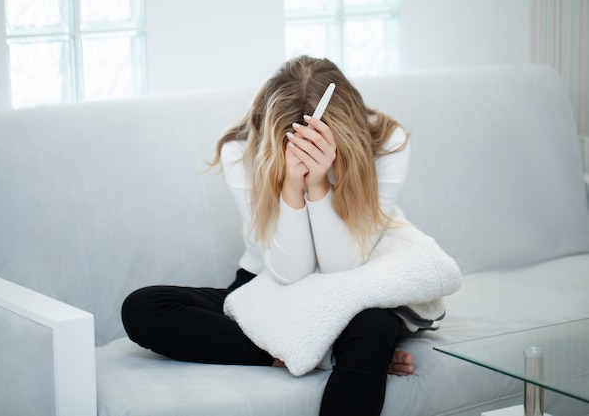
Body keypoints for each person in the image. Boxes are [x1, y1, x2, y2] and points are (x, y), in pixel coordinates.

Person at [121, 55, 414, 416]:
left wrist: (319, 184)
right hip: (266, 287)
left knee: (374, 326)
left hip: (348, 292)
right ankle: (318, 351)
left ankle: (321, 346)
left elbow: (343, 266)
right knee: (143, 308)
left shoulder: (386, 143)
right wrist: (292, 186)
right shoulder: (240, 150)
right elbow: (289, 273)